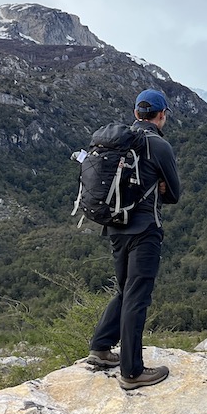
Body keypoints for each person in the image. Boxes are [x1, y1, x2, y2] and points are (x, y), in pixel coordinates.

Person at [87, 88, 181, 390]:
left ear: (135, 113)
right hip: (145, 230)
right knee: (137, 297)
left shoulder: (117, 142)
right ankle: (131, 372)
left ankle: (101, 348)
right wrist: (162, 187)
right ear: (162, 115)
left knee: (124, 290)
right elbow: (174, 194)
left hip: (115, 227)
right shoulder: (158, 145)